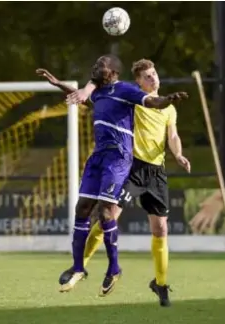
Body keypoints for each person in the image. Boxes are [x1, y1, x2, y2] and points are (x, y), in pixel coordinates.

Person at [38, 55, 188, 298]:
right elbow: (101, 91)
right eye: (147, 76)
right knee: (107, 214)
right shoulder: (134, 98)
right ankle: (80, 266)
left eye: (155, 74)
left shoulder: (167, 108)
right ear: (138, 82)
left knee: (161, 228)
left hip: (156, 171)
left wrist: (179, 154)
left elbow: (172, 135)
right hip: (132, 168)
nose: (153, 78)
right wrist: (73, 85)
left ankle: (160, 283)